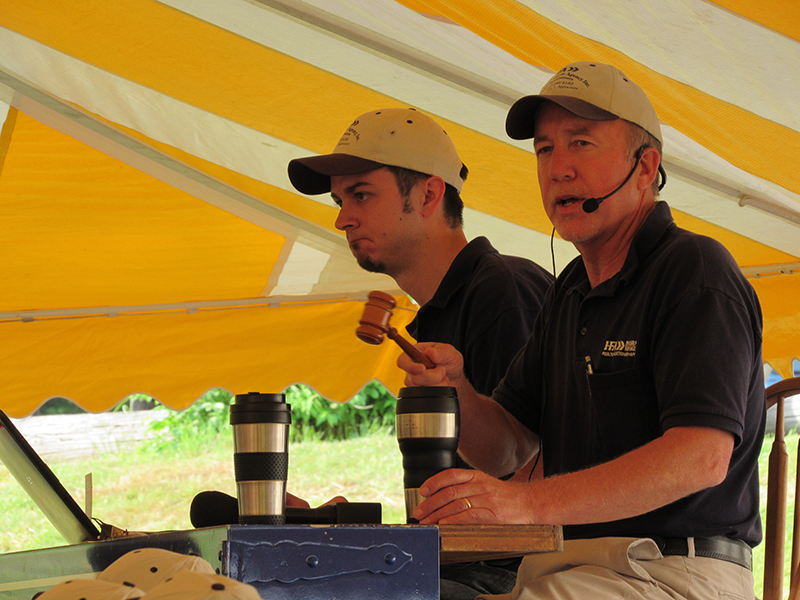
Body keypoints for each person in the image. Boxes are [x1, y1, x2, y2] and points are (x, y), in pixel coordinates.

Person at [399, 62, 765, 600]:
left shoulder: (695, 270)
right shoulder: (569, 290)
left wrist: (526, 503)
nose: (558, 168)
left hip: (672, 575)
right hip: (568, 572)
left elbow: (700, 457)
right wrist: (455, 392)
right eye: (545, 149)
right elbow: (506, 450)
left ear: (646, 168)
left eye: (582, 143)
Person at [288, 107, 554, 598]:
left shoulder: (501, 291)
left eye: (361, 195)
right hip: (463, 569)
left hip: (513, 579)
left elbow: (526, 471)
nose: (342, 217)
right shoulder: (438, 316)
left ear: (430, 194)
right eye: (340, 199)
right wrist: (339, 529)